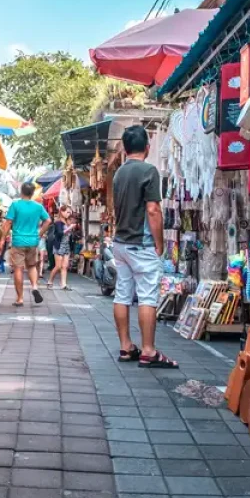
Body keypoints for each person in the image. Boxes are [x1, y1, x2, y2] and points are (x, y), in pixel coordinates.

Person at [110, 124, 177, 368]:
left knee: (123, 294)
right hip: (142, 244)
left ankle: (126, 346)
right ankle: (148, 350)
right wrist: (160, 243)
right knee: (148, 296)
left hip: (120, 243)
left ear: (126, 149)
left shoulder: (118, 173)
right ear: (147, 148)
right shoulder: (149, 170)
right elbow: (153, 209)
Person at [2, 182, 50, 306]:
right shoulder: (38, 206)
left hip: (18, 241)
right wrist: (39, 234)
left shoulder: (15, 205)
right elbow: (48, 221)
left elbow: (7, 223)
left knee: (18, 268)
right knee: (32, 266)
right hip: (33, 242)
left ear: (21, 192)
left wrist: (3, 238)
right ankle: (34, 287)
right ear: (33, 193)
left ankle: (20, 298)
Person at [46, 206, 76, 290]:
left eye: (70, 212)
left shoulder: (68, 222)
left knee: (64, 266)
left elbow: (69, 237)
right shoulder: (58, 222)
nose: (68, 214)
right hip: (58, 246)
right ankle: (50, 281)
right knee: (58, 266)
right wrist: (70, 228)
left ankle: (63, 284)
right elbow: (59, 233)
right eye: (67, 212)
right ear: (61, 212)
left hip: (66, 246)